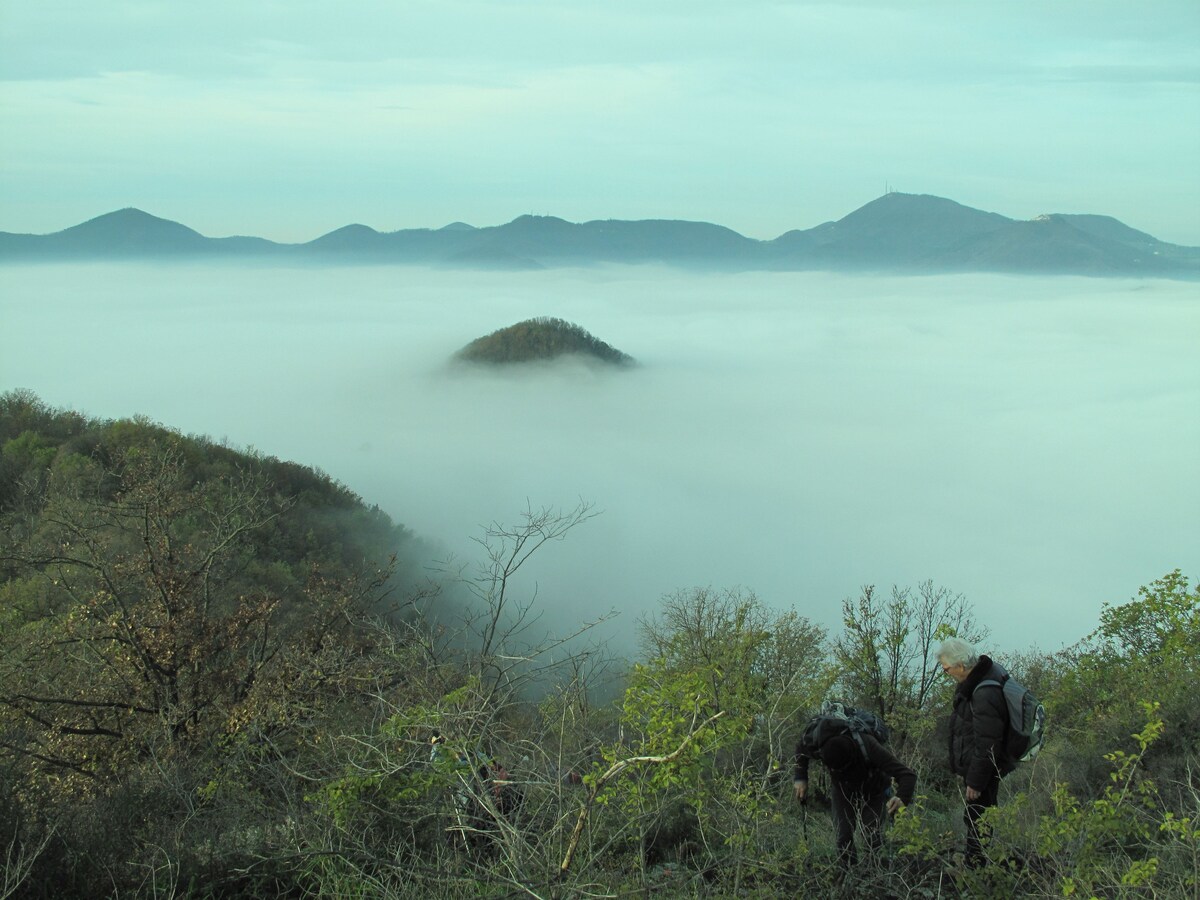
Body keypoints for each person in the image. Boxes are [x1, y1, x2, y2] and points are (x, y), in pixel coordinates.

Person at [937, 637, 1017, 865]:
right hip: (981, 766)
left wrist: (976, 781)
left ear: (961, 666)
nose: (946, 673)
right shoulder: (982, 679)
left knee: (977, 817)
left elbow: (988, 743)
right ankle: (978, 863)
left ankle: (977, 869)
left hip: (984, 769)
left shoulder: (983, 692)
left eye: (946, 669)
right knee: (979, 815)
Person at [794, 721, 916, 869]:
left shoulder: (868, 746)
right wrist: (800, 778)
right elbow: (801, 747)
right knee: (843, 836)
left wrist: (901, 798)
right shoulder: (818, 743)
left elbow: (907, 775)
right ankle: (848, 874)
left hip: (874, 788)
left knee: (873, 836)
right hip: (842, 788)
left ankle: (875, 874)